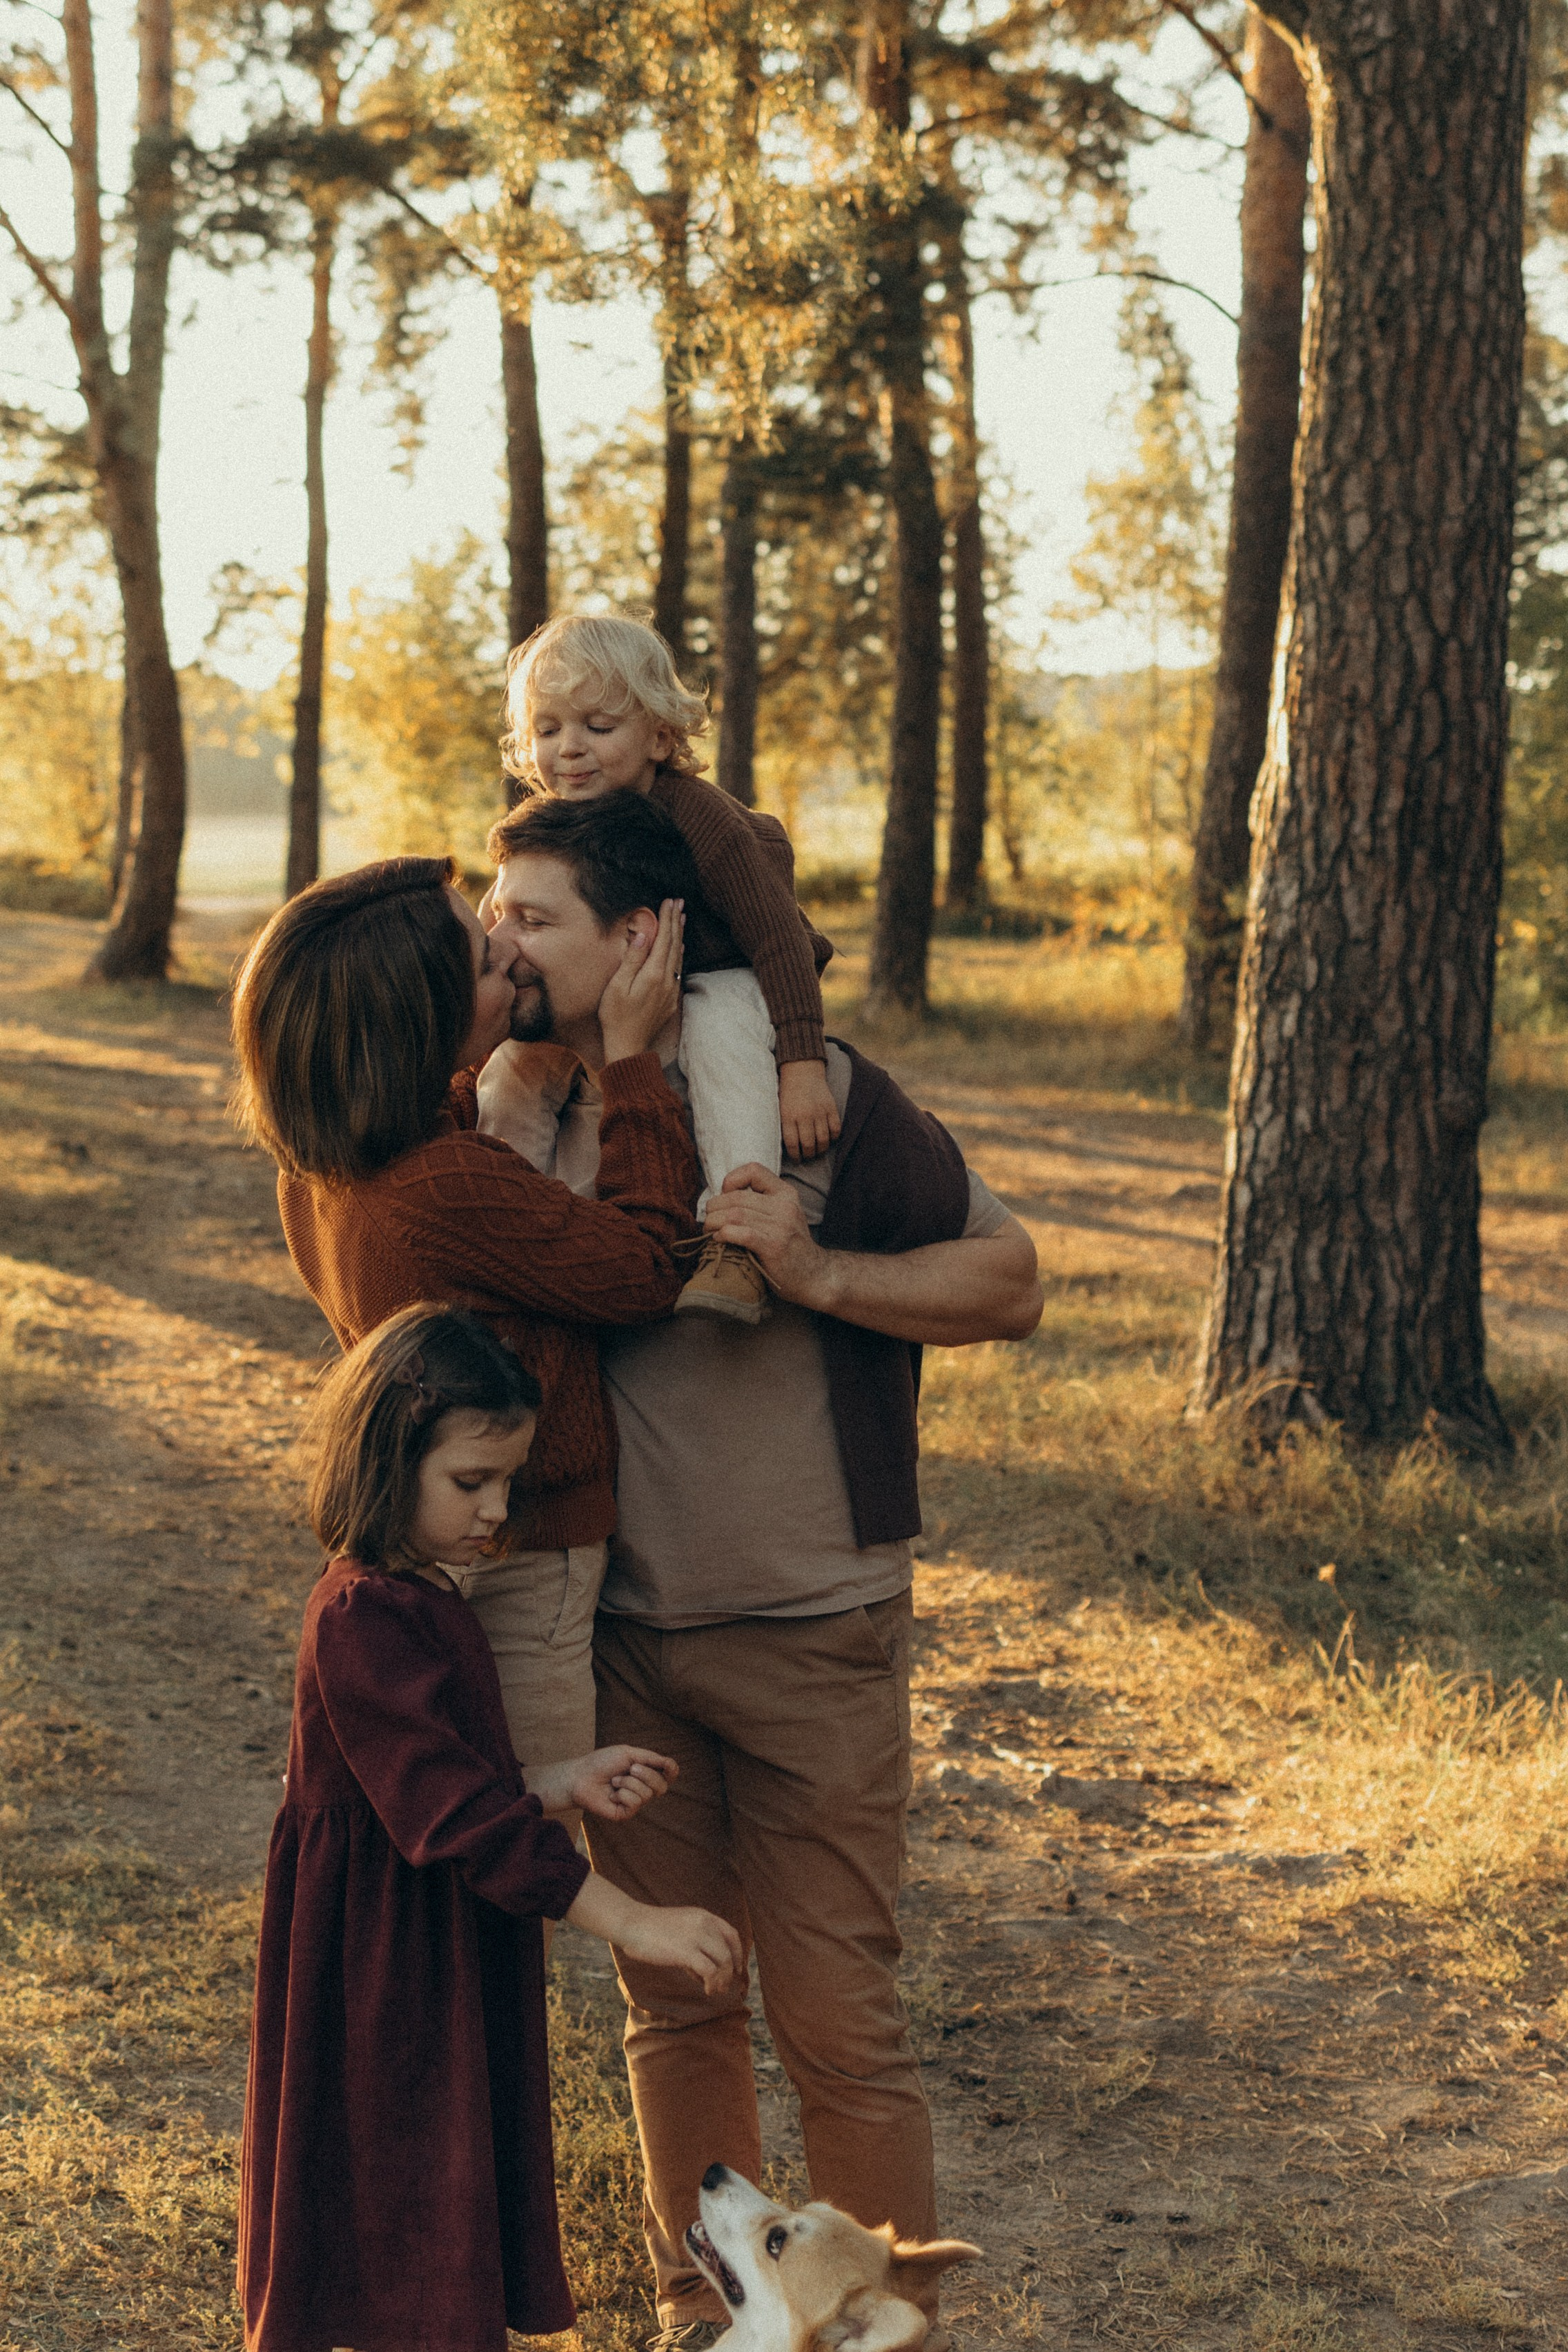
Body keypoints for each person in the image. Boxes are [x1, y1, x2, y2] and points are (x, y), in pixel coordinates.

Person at [478, 792, 1046, 2352]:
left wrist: (816, 1272)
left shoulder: (816, 1101)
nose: (497, 939)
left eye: (531, 914)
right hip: (621, 1643)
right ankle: (705, 2316)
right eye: (493, 908)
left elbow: (1008, 1279)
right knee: (671, 2000)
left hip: (814, 1631)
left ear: (642, 933)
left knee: (838, 2025)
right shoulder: (512, 1113)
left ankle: (877, 2328)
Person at [239, 1304, 742, 2352]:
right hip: (382, 1964)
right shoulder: (360, 1616)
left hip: (439, 1934)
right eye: (472, 1482)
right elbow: (458, 1819)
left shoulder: (425, 1595)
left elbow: (441, 1778)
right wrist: (633, 1921)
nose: (495, 1510)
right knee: (398, 2181)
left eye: (507, 1482)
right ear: (387, 1456)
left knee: (440, 2168)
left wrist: (562, 1780)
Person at [230, 852, 698, 1800]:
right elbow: (648, 1264)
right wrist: (633, 1064)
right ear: (425, 1022)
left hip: (407, 1535)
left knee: (432, 1818)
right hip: (523, 1556)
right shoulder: (444, 1187)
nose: (513, 961)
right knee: (517, 1838)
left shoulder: (322, 1171)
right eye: (487, 964)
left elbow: (442, 1150)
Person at [496, 611, 837, 1326]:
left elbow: (776, 936)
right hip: (616, 981)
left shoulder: (700, 817)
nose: (569, 750)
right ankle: (507, 1212)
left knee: (721, 1037)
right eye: (548, 728)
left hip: (722, 966)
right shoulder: (556, 819)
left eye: (597, 725)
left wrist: (802, 1062)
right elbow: (507, 909)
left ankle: (738, 1236)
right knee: (513, 1066)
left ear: (658, 736)